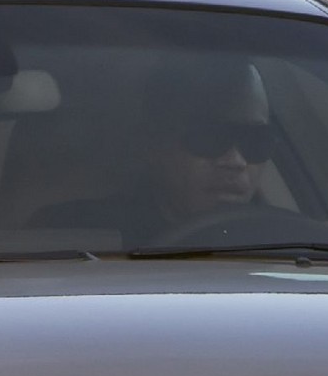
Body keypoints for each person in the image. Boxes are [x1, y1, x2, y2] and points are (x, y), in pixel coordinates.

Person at [32, 59, 281, 244]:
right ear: (154, 144)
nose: (236, 161)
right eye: (210, 137)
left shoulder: (292, 242)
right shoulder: (73, 236)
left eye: (255, 140)